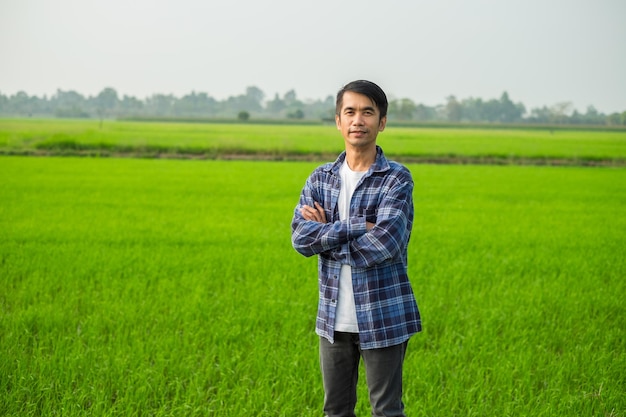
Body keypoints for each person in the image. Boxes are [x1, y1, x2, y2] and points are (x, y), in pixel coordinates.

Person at [291, 80, 422, 417]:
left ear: (382, 122)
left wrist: (326, 237)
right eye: (350, 112)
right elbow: (300, 239)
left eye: (368, 112)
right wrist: (353, 227)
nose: (358, 120)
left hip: (384, 315)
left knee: (386, 411)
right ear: (338, 121)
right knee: (335, 411)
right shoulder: (320, 179)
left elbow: (385, 244)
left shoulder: (396, 179)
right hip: (333, 319)